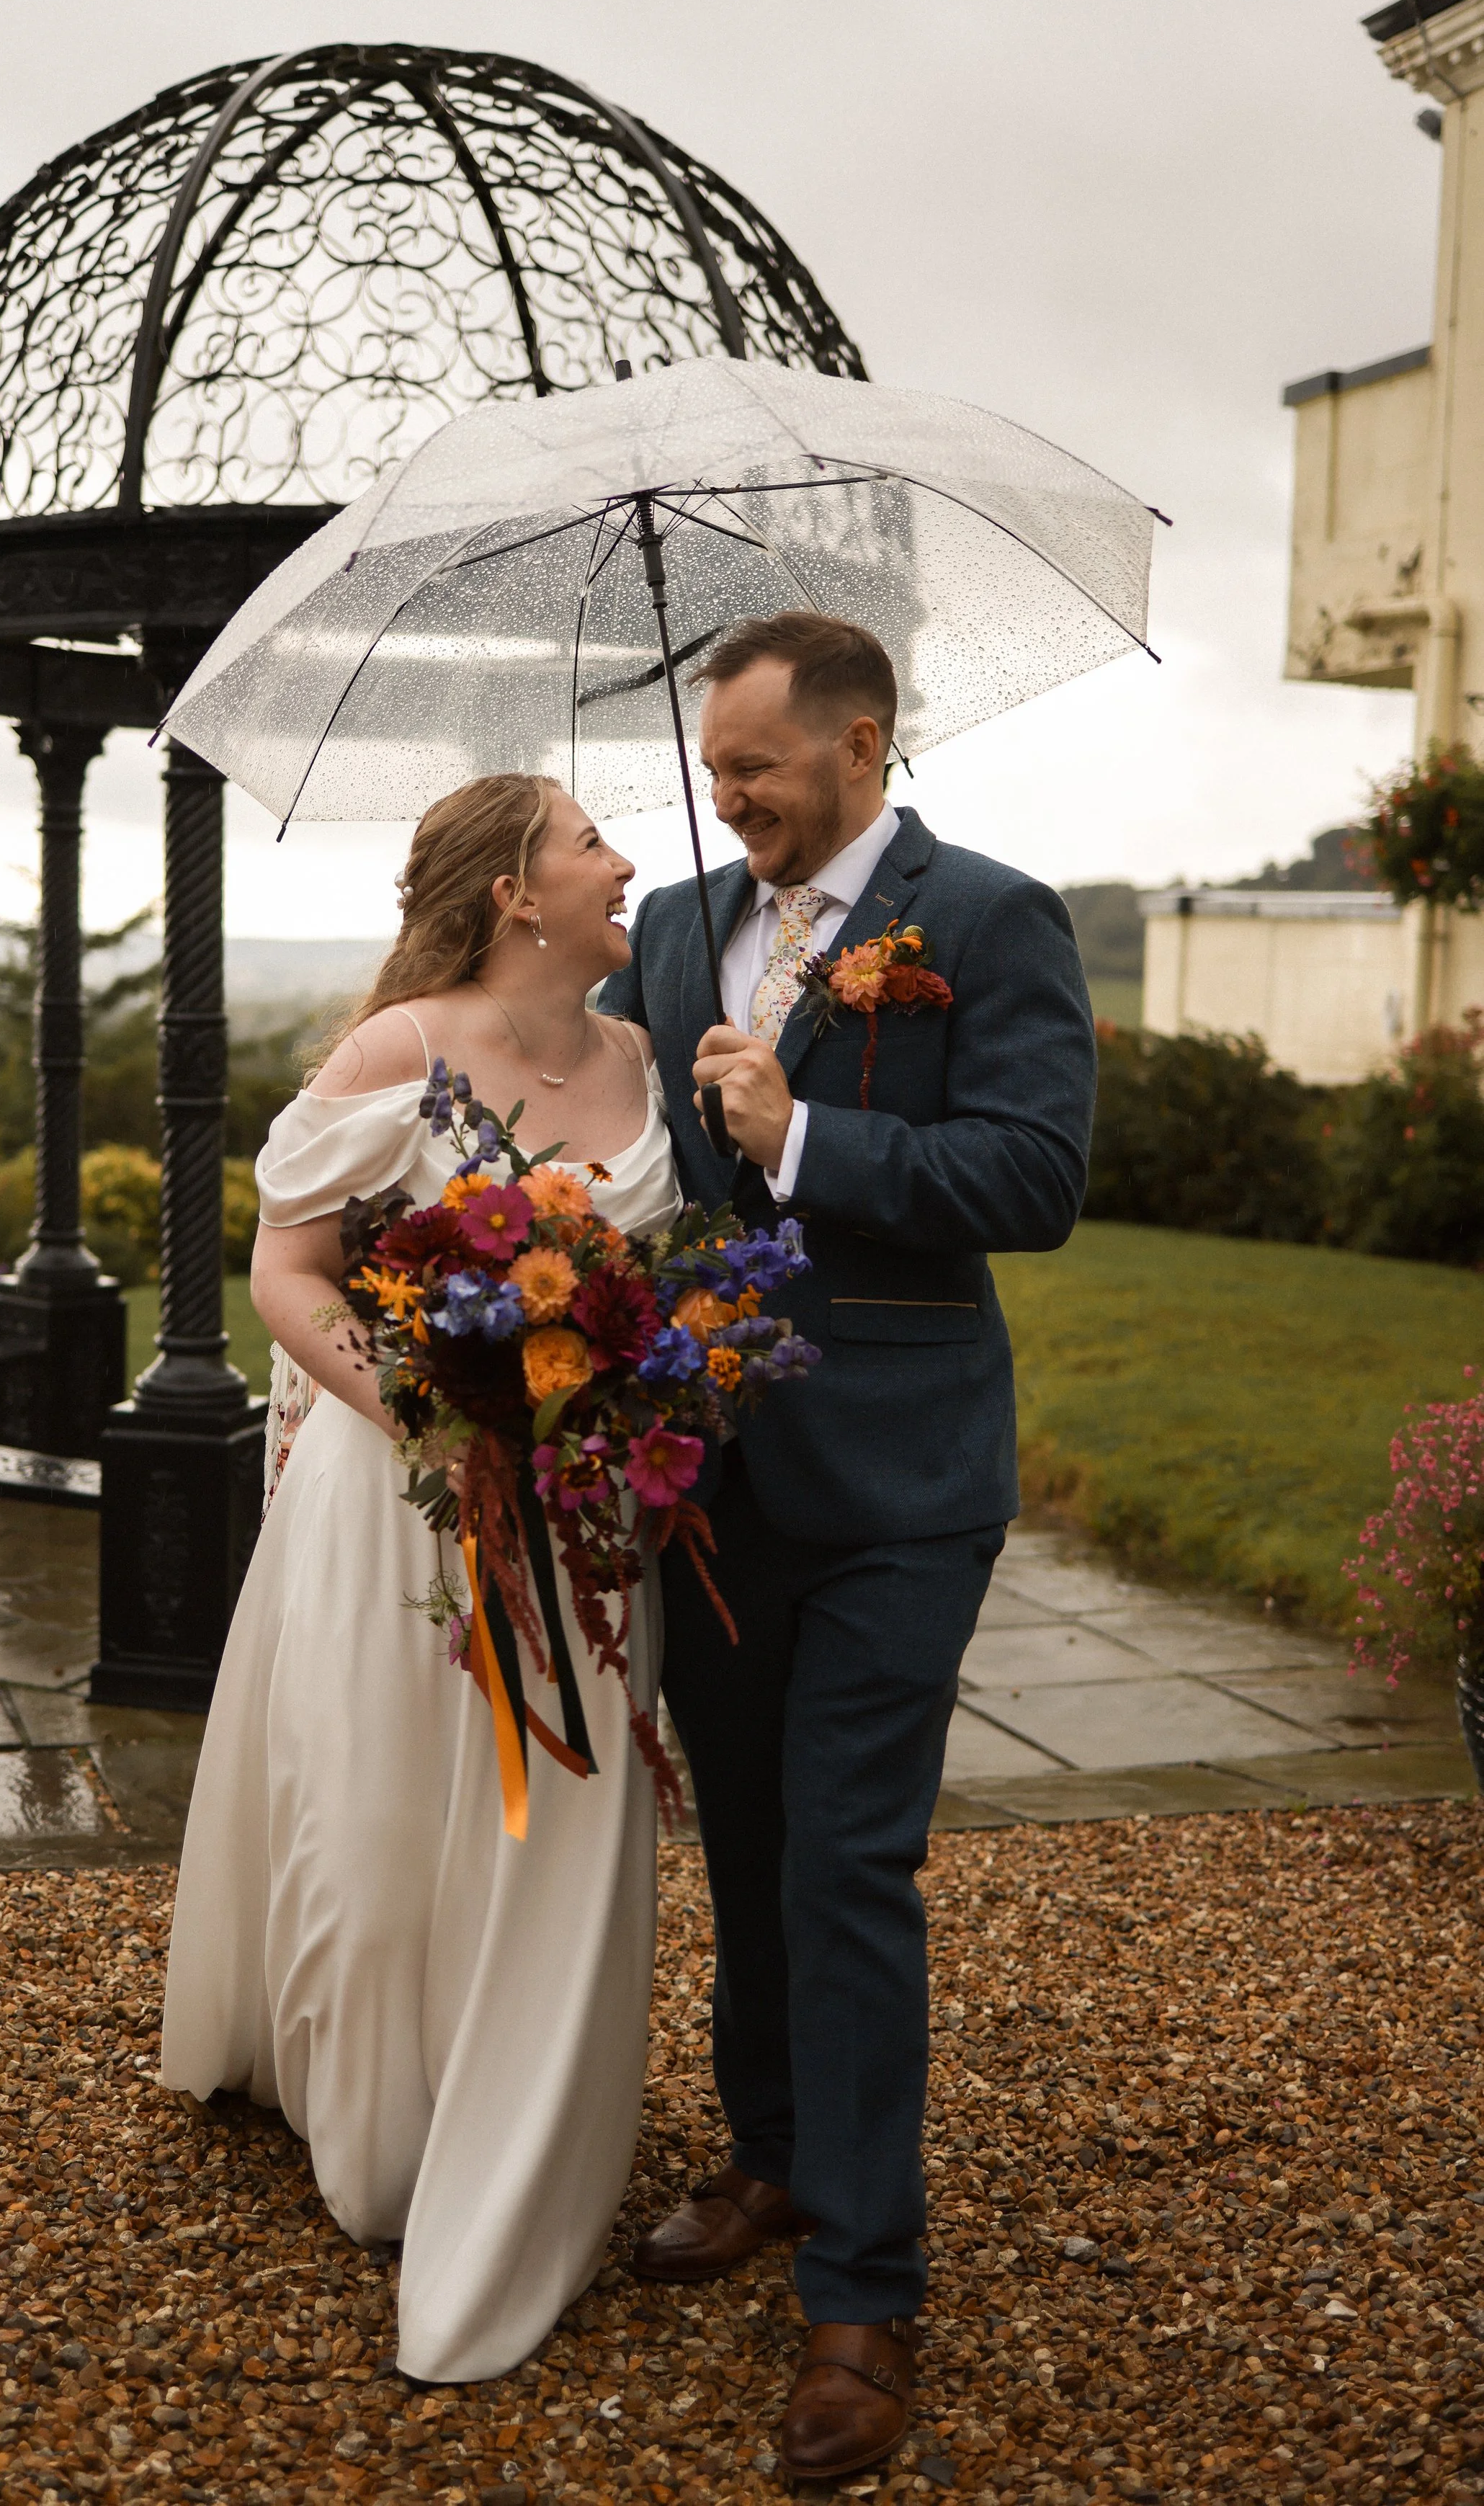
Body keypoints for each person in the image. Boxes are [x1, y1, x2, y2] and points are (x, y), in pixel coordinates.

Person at [599, 611, 1096, 2479]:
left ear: (863, 742)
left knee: (848, 1861)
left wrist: (804, 1136)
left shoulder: (985, 922)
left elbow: (1032, 1180)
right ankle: (776, 2156)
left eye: (757, 769)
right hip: (705, 1486)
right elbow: (632, 1168)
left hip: (900, 1478)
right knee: (742, 1840)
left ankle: (863, 2295)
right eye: (710, 769)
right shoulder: (668, 935)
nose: (723, 802)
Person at [159, 772, 681, 2385]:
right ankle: (380, 2112)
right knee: (383, 1818)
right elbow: (286, 1269)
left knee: (557, 1828)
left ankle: (520, 2117)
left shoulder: (645, 1056)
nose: (625, 863)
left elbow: (656, 1282)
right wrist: (436, 1420)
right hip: (397, 1498)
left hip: (584, 1516)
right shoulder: (397, 1050)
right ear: (517, 891)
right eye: (592, 842)